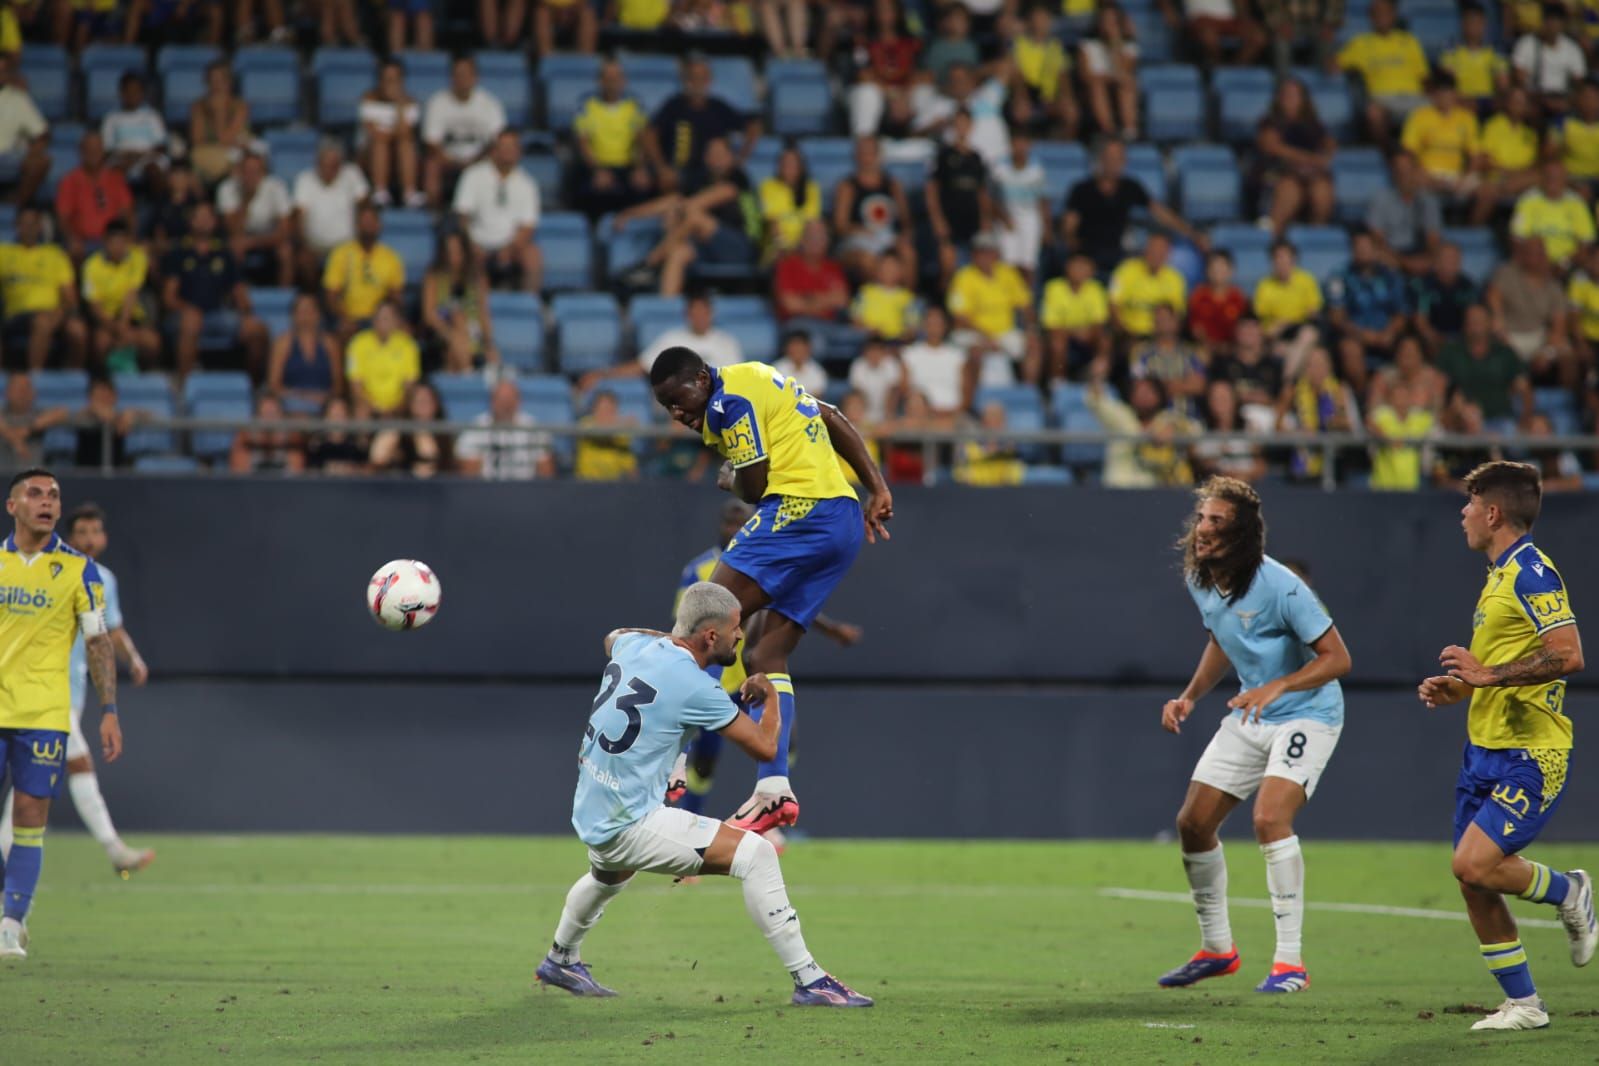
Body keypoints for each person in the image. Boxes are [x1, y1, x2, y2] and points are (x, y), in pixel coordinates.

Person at [534, 582, 872, 1007]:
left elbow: (613, 636)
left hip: (592, 804)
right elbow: (766, 748)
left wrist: (672, 635)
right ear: (710, 636)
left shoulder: (633, 646)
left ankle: (560, 959)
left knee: (609, 875)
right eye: (734, 628)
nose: (740, 636)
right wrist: (768, 698)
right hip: (630, 821)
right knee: (757, 855)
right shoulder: (697, 687)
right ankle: (811, 980)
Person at [649, 349, 891, 834]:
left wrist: (730, 478)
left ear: (702, 378)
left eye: (682, 400)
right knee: (766, 654)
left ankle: (669, 763)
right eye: (669, 409)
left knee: (699, 616)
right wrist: (876, 487)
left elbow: (756, 487)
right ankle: (773, 788)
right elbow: (831, 415)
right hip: (841, 518)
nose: (679, 415)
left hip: (801, 510)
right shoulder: (757, 376)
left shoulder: (726, 404)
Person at [1416, 461, 1597, 1031]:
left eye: (1470, 504)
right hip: (1483, 750)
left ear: (1493, 512)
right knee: (1471, 878)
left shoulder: (1533, 572)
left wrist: (1487, 676)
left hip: (1531, 753)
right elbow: (1498, 667)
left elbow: (1568, 654)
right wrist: (1462, 687)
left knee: (1473, 862)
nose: (1462, 514)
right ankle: (1525, 1005)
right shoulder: (1498, 575)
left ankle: (1570, 891)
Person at [1157, 476, 1352, 993]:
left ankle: (1291, 963)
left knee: (1269, 818)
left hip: (1308, 713)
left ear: (1241, 532)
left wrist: (1279, 686)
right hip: (1253, 713)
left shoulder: (1284, 586)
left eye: (1216, 521)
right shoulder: (1202, 578)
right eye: (1201, 518)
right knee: (1193, 823)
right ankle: (1217, 949)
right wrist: (1190, 695)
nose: (1202, 529)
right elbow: (1225, 639)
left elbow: (1339, 659)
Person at [0, 469, 124, 960]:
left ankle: (12, 922)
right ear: (13, 506)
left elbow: (98, 642)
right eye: (35, 493)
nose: (47, 501)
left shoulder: (79, 570)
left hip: (45, 715)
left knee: (29, 822)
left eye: (53, 495)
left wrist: (109, 709)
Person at [0, 502, 150, 876]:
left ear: (103, 537)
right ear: (70, 536)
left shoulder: (103, 579)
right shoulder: (49, 572)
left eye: (93, 532)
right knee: (76, 765)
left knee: (28, 782)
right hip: (40, 691)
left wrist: (132, 657)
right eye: (80, 532)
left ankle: (6, 858)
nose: (88, 539)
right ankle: (114, 850)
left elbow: (109, 630)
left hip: (72, 692)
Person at [161, 202, 269, 380]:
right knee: (192, 321)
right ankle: (184, 386)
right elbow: (168, 297)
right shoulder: (179, 252)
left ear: (214, 222)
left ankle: (253, 387)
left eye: (208, 217)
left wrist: (247, 310)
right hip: (183, 317)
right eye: (199, 217)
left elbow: (238, 289)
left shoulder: (224, 253)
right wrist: (188, 310)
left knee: (257, 329)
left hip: (217, 314)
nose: (204, 221)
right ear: (191, 221)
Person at [1063, 140, 1204, 275]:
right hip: (1087, 255)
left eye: (1119, 158)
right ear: (1101, 159)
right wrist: (1077, 256)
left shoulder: (1130, 187)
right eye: (1111, 157)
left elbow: (1159, 212)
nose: (1115, 163)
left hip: (1118, 254)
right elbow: (1069, 229)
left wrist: (1191, 233)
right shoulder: (1081, 189)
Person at [641, 56, 760, 194]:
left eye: (702, 78)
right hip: (679, 175)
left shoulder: (719, 108)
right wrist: (661, 168)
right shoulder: (674, 106)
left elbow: (754, 126)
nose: (697, 82)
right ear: (685, 80)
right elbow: (648, 134)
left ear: (709, 80)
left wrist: (739, 159)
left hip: (711, 176)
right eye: (692, 77)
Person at [453, 129, 543, 293]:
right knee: (457, 251)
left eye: (512, 147)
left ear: (519, 151)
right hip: (476, 242)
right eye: (504, 146)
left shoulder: (527, 184)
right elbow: (462, 216)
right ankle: (464, 304)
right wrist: (471, 245)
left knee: (533, 255)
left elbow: (528, 226)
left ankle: (529, 305)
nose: (508, 151)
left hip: (510, 246)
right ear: (494, 150)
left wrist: (510, 249)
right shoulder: (473, 175)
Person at [947, 232, 1041, 384]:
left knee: (1033, 344)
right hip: (974, 333)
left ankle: (1028, 391)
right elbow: (960, 317)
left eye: (989, 251)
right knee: (975, 350)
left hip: (1004, 333)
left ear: (996, 254)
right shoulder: (963, 277)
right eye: (981, 252)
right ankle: (972, 398)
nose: (985, 256)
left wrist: (1030, 328)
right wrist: (987, 336)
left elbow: (1025, 306)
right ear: (974, 255)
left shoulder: (1008, 273)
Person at [1333, 0, 1428, 151]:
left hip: (1412, 97)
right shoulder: (1360, 43)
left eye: (1386, 13)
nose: (1382, 17)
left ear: (1393, 16)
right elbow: (1333, 66)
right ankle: (1387, 155)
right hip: (1382, 98)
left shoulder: (1409, 41)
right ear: (1371, 17)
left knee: (1442, 108)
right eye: (1377, 14)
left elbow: (1424, 77)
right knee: (1374, 114)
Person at [0, 207, 87, 370]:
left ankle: (73, 377)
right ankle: (36, 380)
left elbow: (70, 297)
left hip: (54, 313)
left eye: (32, 224)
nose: (28, 228)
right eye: (24, 224)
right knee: (42, 322)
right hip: (17, 316)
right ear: (16, 226)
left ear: (40, 226)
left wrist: (59, 314)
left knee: (78, 330)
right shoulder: (3, 253)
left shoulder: (55, 254)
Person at [1254, 77, 1336, 237]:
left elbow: (1330, 146)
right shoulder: (1270, 121)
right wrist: (1309, 159)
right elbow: (1272, 147)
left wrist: (1322, 157)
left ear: (1303, 99)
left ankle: (1316, 241)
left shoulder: (1313, 124)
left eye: (1294, 94)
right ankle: (1274, 241)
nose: (1289, 98)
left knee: (1323, 190)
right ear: (1278, 98)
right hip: (1277, 174)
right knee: (1290, 190)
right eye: (1286, 94)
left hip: (1310, 175)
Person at [423, 55, 508, 210]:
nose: (462, 79)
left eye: (467, 74)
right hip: (447, 162)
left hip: (480, 160)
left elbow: (497, 142)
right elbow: (431, 144)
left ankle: (487, 212)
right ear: (451, 77)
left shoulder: (490, 104)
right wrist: (454, 162)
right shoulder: (437, 102)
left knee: (499, 160)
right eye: (458, 74)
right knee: (431, 164)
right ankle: (433, 213)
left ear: (476, 77)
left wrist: (474, 161)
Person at [572, 59, 650, 219]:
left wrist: (640, 168)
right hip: (595, 166)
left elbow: (641, 140)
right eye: (608, 78)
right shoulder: (585, 103)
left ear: (624, 80)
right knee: (594, 186)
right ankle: (595, 233)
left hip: (627, 166)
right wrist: (597, 170)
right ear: (599, 80)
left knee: (643, 182)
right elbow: (583, 143)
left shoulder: (635, 104)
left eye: (616, 77)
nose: (612, 82)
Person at [832, 136, 916, 284]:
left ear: (879, 155)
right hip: (857, 240)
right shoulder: (847, 186)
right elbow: (840, 225)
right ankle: (875, 301)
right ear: (856, 156)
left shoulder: (892, 185)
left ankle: (906, 301)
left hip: (887, 237)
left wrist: (904, 236)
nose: (867, 157)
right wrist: (862, 231)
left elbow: (905, 219)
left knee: (908, 254)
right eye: (863, 152)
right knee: (867, 260)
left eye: (871, 152)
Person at [81, 220, 158, 372]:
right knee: (101, 343)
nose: (118, 247)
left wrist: (123, 327)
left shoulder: (137, 257)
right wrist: (115, 329)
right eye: (114, 243)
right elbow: (94, 305)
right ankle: (102, 380)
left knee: (152, 342)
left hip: (130, 318)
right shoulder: (91, 265)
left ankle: (147, 378)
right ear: (105, 243)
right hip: (105, 321)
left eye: (122, 242)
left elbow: (132, 294)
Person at [323, 203, 406, 341]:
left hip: (379, 318)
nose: (368, 226)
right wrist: (345, 317)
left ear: (379, 225)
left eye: (371, 221)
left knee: (403, 331)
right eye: (364, 221)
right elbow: (331, 296)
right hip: (349, 317)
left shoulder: (391, 257)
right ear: (357, 225)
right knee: (342, 331)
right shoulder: (341, 253)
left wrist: (387, 317)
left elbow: (396, 297)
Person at [421, 230, 497, 374]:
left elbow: (483, 313)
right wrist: (449, 333)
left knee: (460, 347)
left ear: (464, 253)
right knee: (457, 322)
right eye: (449, 252)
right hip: (441, 331)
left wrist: (489, 343)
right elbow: (429, 315)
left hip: (473, 332)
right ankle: (468, 374)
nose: (453, 257)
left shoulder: (476, 279)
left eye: (457, 252)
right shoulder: (434, 277)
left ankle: (468, 374)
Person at [293, 142, 371, 281]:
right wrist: (304, 245)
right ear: (317, 164)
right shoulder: (305, 179)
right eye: (325, 166)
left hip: (348, 245)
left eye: (333, 166)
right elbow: (299, 216)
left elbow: (365, 207)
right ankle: (311, 298)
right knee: (304, 259)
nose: (329, 170)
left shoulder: (352, 174)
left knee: (359, 258)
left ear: (340, 165)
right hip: (314, 245)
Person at [216, 149, 294, 287]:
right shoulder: (227, 188)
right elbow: (232, 230)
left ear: (263, 172)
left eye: (255, 171)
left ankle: (284, 296)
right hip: (240, 238)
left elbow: (284, 230)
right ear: (239, 171)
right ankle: (235, 295)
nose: (250, 176)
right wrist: (246, 200)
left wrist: (252, 242)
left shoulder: (276, 187)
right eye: (246, 171)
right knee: (234, 246)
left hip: (268, 238)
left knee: (285, 251)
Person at [455, 377, 555, 480]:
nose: (506, 405)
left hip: (526, 490)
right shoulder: (475, 428)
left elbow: (546, 473)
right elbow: (469, 475)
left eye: (510, 400)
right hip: (486, 490)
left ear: (518, 402)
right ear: (492, 402)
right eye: (502, 400)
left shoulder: (534, 428)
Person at [54, 130, 132, 262]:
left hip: (113, 241)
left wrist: (130, 237)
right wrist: (72, 239)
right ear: (81, 152)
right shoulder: (69, 181)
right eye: (89, 149)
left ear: (103, 151)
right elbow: (62, 218)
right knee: (71, 252)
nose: (93, 153)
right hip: (82, 242)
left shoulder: (115, 178)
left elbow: (127, 212)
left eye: (97, 149)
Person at [1364, 150, 1443, 277]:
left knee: (1446, 255)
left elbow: (1433, 239)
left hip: (1420, 254)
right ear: (1393, 172)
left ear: (1415, 171)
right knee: (1376, 253)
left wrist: (1426, 260)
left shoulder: (1428, 200)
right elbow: (1377, 239)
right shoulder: (1380, 199)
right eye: (1399, 169)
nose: (1403, 174)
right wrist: (1405, 262)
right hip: (1392, 254)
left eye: (1407, 169)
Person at [1509, 159, 1596, 270]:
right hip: (1533, 263)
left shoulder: (1576, 203)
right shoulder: (1528, 200)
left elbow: (1586, 243)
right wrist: (1536, 263)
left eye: (1557, 177)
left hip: (1568, 266)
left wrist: (1564, 263)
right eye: (1549, 176)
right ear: (1541, 179)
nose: (1552, 181)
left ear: (1565, 179)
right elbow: (1517, 239)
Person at [359, 59, 424, 209]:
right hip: (368, 155)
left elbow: (406, 132)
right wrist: (394, 134)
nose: (391, 84)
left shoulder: (410, 103)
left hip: (399, 156)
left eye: (395, 79)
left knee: (406, 143)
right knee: (380, 143)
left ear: (402, 81)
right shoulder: (368, 100)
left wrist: (398, 104)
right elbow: (373, 132)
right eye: (387, 79)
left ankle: (409, 193)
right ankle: (380, 191)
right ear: (379, 80)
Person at [267, 292, 343, 410]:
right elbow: (274, 385)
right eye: (301, 311)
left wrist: (324, 397)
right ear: (293, 315)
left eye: (310, 311)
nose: (306, 316)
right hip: (291, 400)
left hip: (324, 401)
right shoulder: (283, 343)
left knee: (337, 408)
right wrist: (299, 396)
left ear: (318, 315)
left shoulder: (330, 344)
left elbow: (338, 385)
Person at [346, 302, 421, 417]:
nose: (383, 321)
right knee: (360, 411)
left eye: (388, 318)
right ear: (373, 321)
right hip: (368, 406)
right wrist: (373, 408)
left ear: (397, 321)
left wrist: (397, 408)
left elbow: (410, 386)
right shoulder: (357, 343)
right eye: (380, 317)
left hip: (398, 407)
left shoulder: (408, 345)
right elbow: (355, 386)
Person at [1512, 3, 1586, 117]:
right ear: (1543, 22)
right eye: (1549, 21)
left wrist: (1567, 102)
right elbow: (1519, 79)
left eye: (1557, 22)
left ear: (1563, 25)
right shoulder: (1526, 43)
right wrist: (1539, 99)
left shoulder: (1572, 49)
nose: (1553, 27)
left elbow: (1579, 82)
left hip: (1562, 99)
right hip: (1535, 98)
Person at [1109, 232, 1187, 342]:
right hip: (1127, 334)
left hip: (1158, 337)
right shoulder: (1125, 270)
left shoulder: (1176, 279)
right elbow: (1113, 304)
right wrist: (1124, 332)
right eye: (1153, 249)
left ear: (1167, 254)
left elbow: (1177, 315)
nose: (1156, 254)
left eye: (1161, 251)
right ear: (1145, 250)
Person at [100, 72, 167, 194]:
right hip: (121, 158)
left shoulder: (152, 116)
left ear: (142, 94)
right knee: (115, 172)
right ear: (121, 93)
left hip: (147, 157)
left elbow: (161, 146)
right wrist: (126, 156)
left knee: (154, 170)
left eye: (136, 91)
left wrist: (141, 155)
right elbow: (107, 149)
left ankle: (159, 206)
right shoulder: (111, 118)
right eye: (128, 92)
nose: (132, 95)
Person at [0, 53, 52, 207]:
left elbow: (42, 133)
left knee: (42, 161)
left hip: (10, 158)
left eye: (3, 70)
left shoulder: (18, 98)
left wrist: (33, 150)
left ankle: (14, 207)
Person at [368, 380, 450, 476]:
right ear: (409, 405)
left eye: (427, 401)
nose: (423, 406)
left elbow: (427, 469)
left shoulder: (444, 434)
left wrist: (422, 434)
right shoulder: (398, 431)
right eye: (419, 401)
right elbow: (377, 460)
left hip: (433, 487)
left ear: (436, 405)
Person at [188, 61, 250, 185]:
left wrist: (220, 112)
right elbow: (197, 139)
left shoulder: (240, 106)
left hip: (235, 153)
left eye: (221, 80)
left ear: (229, 82)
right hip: (208, 154)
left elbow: (227, 137)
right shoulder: (198, 107)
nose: (216, 85)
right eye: (212, 81)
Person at [758, 144, 820, 265]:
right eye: (784, 162)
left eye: (792, 162)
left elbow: (812, 223)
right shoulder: (768, 186)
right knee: (779, 255)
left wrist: (801, 248)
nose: (788, 166)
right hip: (777, 247)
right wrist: (785, 247)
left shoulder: (811, 188)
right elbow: (772, 222)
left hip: (804, 247)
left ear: (801, 166)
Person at [1188, 250, 1248, 354]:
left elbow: (1244, 328)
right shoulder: (1198, 295)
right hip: (1205, 348)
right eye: (1214, 266)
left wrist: (1229, 347)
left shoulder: (1238, 297)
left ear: (1231, 270)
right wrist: (1210, 345)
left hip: (1233, 349)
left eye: (1222, 266)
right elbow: (1196, 328)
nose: (1217, 270)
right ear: (1207, 270)